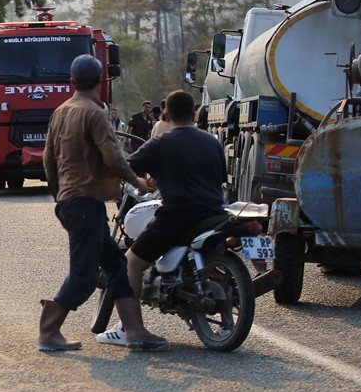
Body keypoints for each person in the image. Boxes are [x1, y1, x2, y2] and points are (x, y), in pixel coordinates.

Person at [40, 56, 166, 353]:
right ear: (100, 82)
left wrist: (59, 196)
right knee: (84, 275)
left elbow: (48, 160)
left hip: (76, 202)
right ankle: (48, 331)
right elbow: (112, 156)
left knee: (115, 263)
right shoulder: (95, 113)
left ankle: (133, 329)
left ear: (72, 82)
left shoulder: (61, 111)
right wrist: (137, 181)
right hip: (84, 202)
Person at [97, 90, 227, 346]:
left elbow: (125, 169)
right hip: (214, 213)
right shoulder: (211, 141)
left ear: (165, 114)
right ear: (194, 113)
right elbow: (219, 178)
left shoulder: (162, 142)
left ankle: (128, 328)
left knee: (130, 262)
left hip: (178, 214)